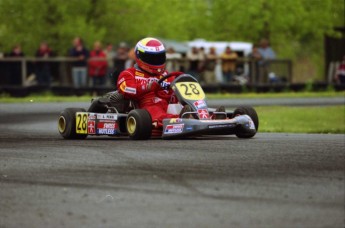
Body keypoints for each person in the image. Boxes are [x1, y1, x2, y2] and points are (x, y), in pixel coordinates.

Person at [117, 37, 183, 131]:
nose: (156, 61)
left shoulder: (165, 75)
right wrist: (147, 87)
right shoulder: (129, 74)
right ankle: (180, 121)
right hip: (147, 107)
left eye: (159, 57)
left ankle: (193, 116)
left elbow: (173, 94)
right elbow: (125, 89)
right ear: (140, 56)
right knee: (157, 112)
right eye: (152, 58)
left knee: (186, 106)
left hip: (167, 104)